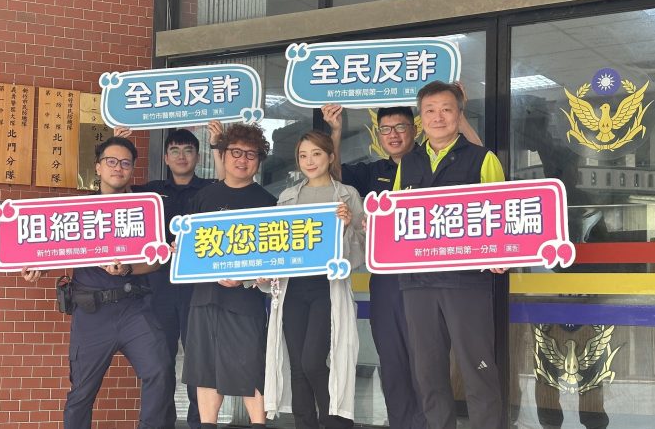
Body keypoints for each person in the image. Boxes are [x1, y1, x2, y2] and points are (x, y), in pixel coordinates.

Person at [321, 96, 482, 429]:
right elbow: (333, 174)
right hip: (387, 281)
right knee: (392, 360)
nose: (393, 135)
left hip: (430, 278)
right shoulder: (374, 171)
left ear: (415, 129)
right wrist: (335, 130)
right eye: (385, 130)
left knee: (426, 362)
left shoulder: (433, 163)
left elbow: (479, 162)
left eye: (400, 127)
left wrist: (459, 112)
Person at [21, 136, 170, 429]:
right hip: (91, 314)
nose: (118, 168)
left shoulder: (143, 209)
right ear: (98, 168)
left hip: (133, 308)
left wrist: (127, 269)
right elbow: (54, 248)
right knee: (81, 393)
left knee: (160, 371)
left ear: (132, 169)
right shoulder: (78, 210)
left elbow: (157, 260)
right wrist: (38, 268)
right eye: (111, 161)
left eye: (125, 163)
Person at [393, 81, 507, 429]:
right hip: (417, 283)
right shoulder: (408, 163)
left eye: (446, 109)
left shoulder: (482, 159)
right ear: (421, 118)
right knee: (427, 372)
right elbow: (397, 217)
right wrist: (377, 226)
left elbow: (502, 215)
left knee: (478, 369)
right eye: (430, 110)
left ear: (459, 114)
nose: (438, 117)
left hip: (466, 281)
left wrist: (500, 252)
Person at [116, 125, 218, 429]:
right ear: (165, 157)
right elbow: (116, 193)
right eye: (175, 150)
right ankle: (162, 423)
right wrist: (119, 141)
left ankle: (200, 423)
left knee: (199, 360)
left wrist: (217, 144)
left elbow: (230, 189)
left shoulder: (210, 189)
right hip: (158, 285)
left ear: (198, 157)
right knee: (161, 361)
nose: (181, 156)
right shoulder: (150, 191)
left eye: (188, 150)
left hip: (198, 287)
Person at [264, 130, 364, 429]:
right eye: (303, 155)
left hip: (327, 288)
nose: (309, 161)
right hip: (293, 287)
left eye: (316, 154)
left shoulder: (347, 195)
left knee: (312, 362)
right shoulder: (287, 197)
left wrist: (347, 227)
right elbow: (275, 244)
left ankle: (336, 421)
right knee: (297, 366)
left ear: (331, 157)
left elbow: (363, 248)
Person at [180, 123, 277, 429]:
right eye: (236, 152)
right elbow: (188, 248)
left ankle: (258, 424)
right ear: (222, 154)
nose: (242, 160)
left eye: (251, 154)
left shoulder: (268, 202)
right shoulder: (204, 197)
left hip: (245, 301)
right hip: (205, 297)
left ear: (259, 160)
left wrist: (246, 277)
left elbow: (274, 257)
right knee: (205, 371)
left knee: (251, 367)